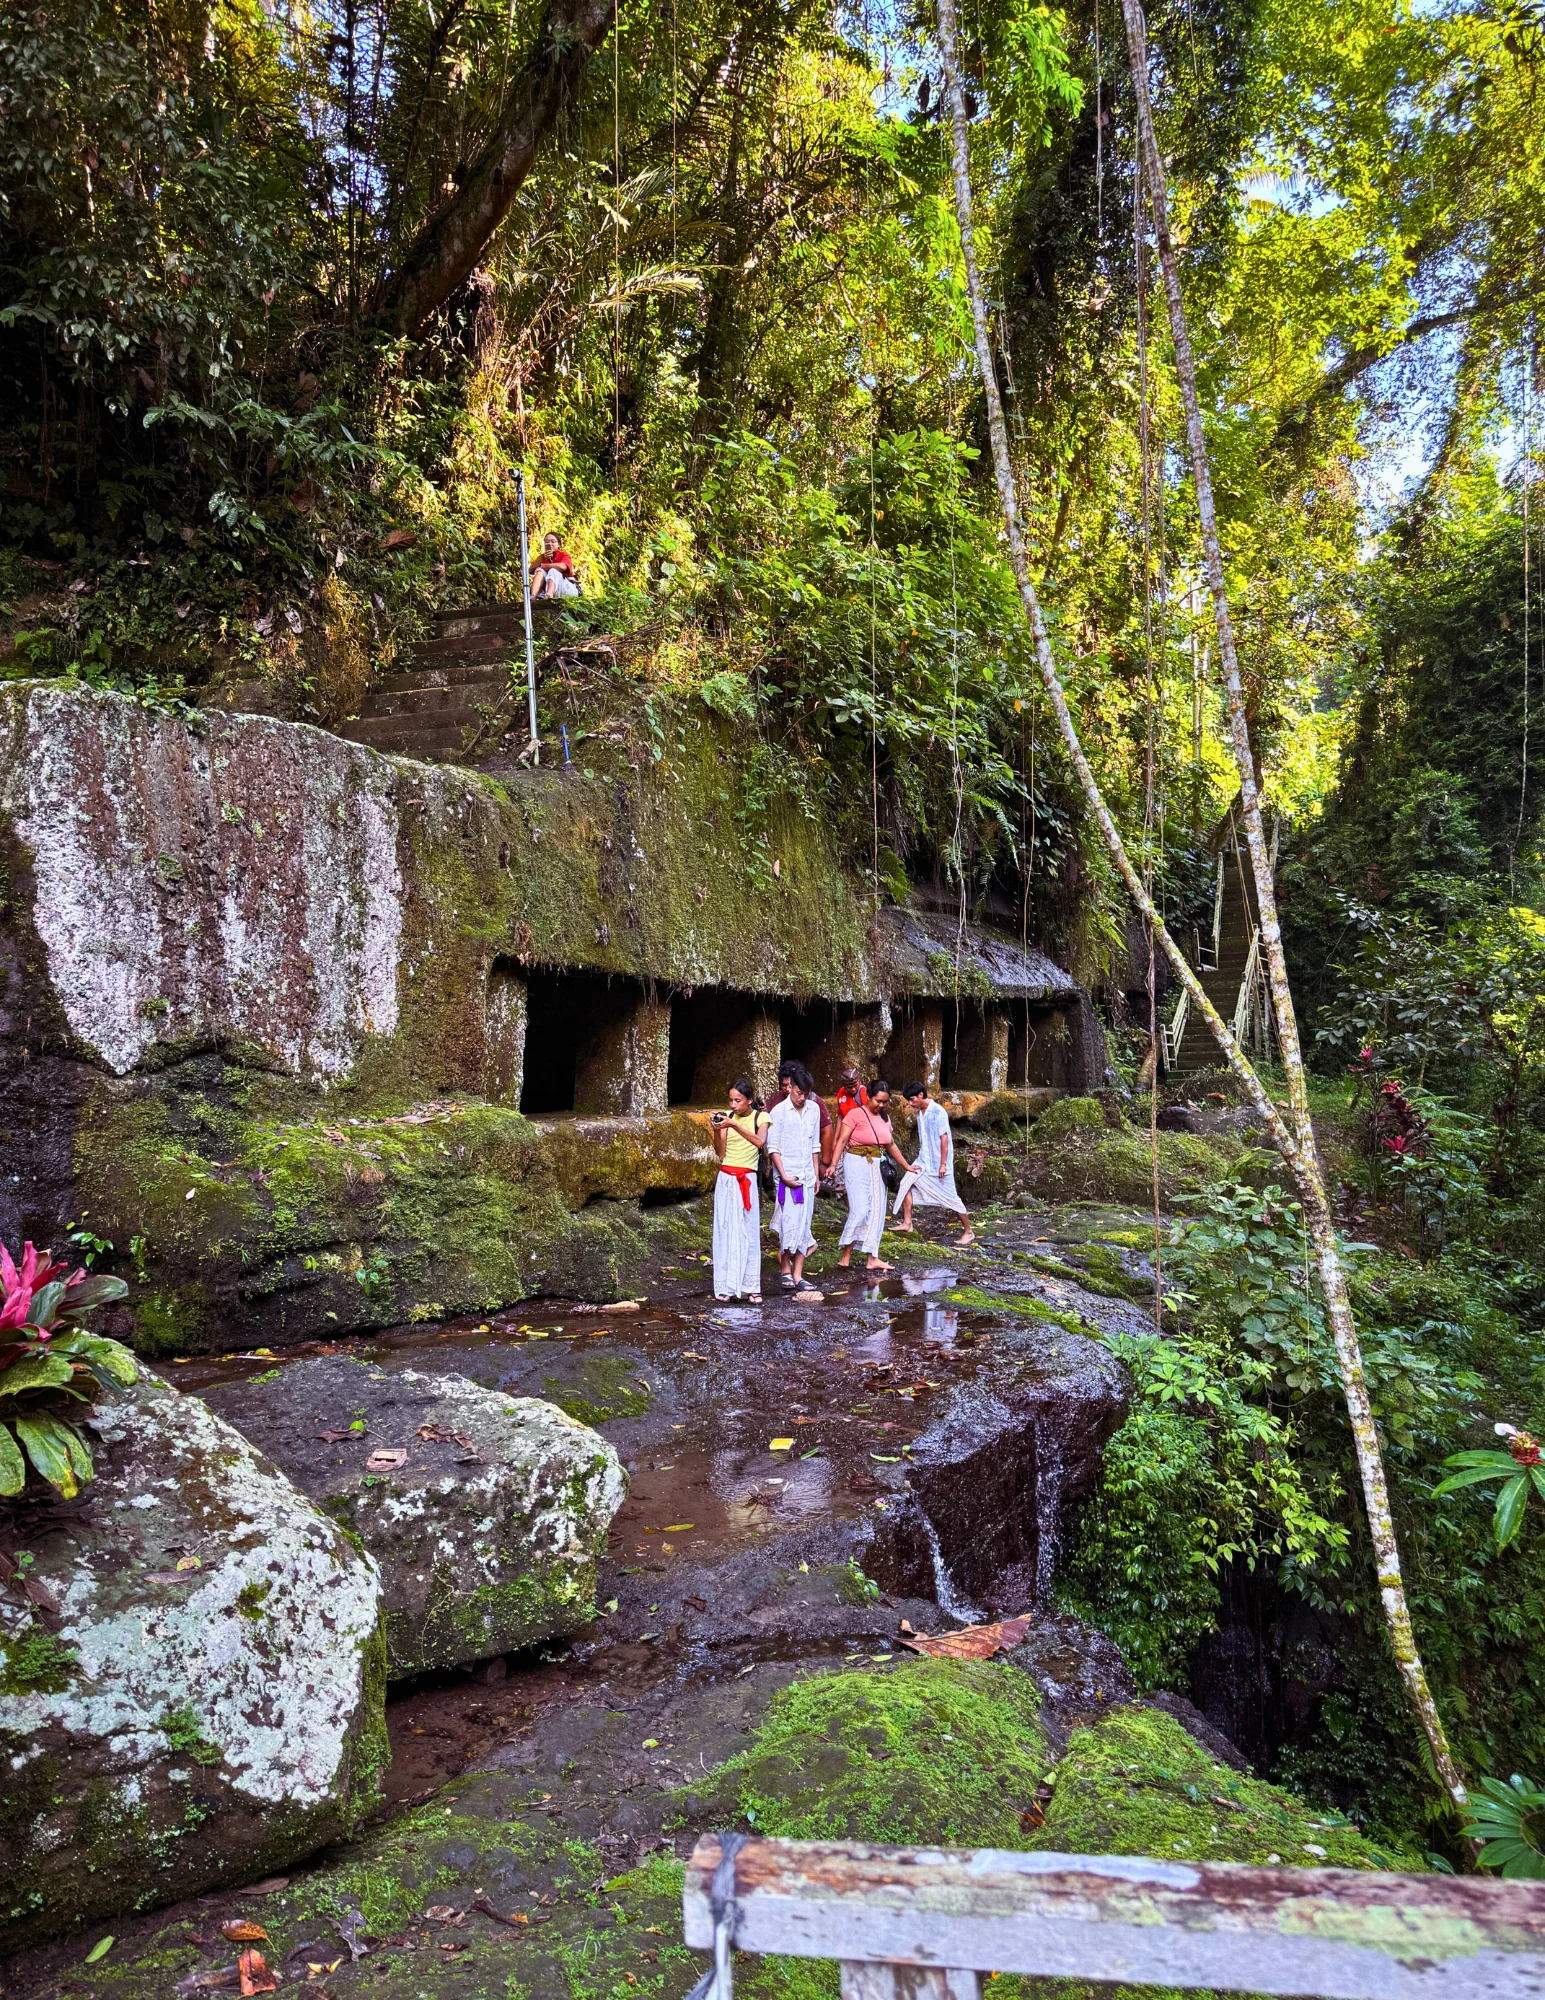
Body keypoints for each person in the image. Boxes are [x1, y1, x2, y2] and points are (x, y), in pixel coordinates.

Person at [828, 1079, 912, 1273]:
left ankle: (872, 1257)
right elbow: (841, 1141)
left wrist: (906, 1165)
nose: (881, 1105)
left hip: (877, 1165)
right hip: (856, 1162)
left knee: (877, 1209)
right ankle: (846, 1255)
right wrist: (832, 1164)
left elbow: (890, 1145)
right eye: (878, 1101)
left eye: (885, 1102)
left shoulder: (884, 1117)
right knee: (860, 1209)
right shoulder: (855, 1114)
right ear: (868, 1097)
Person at [893, 1083, 975, 1247]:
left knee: (951, 1199)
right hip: (923, 1161)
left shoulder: (938, 1111)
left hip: (939, 1163)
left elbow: (944, 1138)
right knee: (905, 1183)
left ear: (921, 1095)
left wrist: (943, 1164)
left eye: (912, 1099)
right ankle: (907, 1223)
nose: (910, 1103)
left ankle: (968, 1231)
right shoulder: (920, 1114)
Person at [711, 1079, 769, 1301]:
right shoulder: (728, 1117)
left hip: (747, 1179)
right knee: (725, 1230)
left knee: (749, 1231)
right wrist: (717, 1129)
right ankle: (725, 1287)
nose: (733, 1105)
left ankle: (751, 1287)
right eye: (731, 1100)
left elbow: (759, 1142)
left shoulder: (760, 1117)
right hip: (726, 1178)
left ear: (750, 1100)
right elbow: (720, 1152)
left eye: (738, 1100)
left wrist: (734, 1125)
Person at [767, 1062, 822, 1289]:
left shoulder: (814, 1109)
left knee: (804, 1224)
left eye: (806, 1095)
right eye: (799, 1093)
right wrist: (784, 1176)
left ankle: (798, 1274)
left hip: (807, 1177)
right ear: (790, 1088)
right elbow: (773, 1149)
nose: (802, 1098)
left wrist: (816, 1175)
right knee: (788, 1223)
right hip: (787, 1178)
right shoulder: (778, 1112)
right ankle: (785, 1270)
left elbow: (814, 1146)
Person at [766, 1058, 833, 1175]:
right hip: (783, 1164)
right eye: (783, 1085)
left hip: (806, 1165)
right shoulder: (776, 1099)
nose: (787, 1089)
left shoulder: (813, 1102)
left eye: (790, 1086)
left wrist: (824, 1163)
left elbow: (826, 1131)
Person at [531, 531, 580, 600]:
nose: (550, 544)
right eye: (547, 541)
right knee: (540, 571)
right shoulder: (542, 557)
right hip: (553, 589)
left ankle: (548, 596)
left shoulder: (564, 555)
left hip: (567, 588)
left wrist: (545, 566)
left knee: (553, 570)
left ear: (559, 544)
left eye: (553, 541)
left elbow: (563, 567)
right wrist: (542, 560)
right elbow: (530, 570)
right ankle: (533, 596)